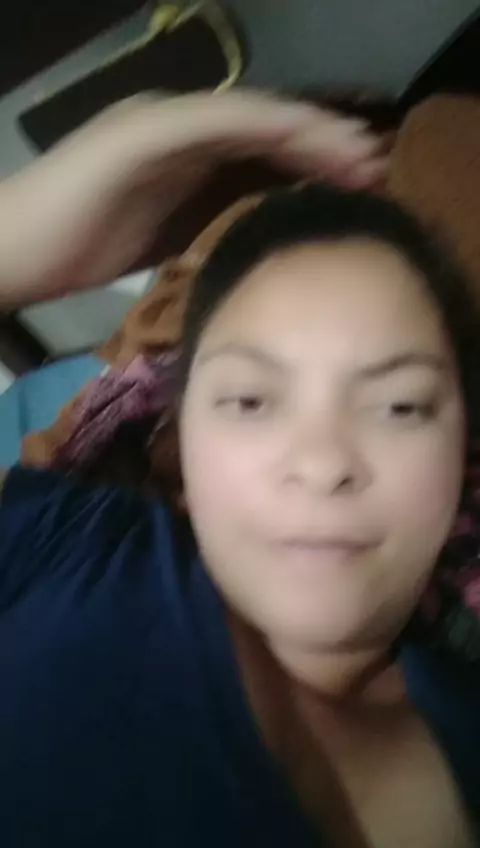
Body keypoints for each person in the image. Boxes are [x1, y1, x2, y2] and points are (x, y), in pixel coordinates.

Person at [0, 91, 477, 847]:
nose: (322, 464)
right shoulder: (62, 549)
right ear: (182, 443)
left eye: (399, 406)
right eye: (251, 400)